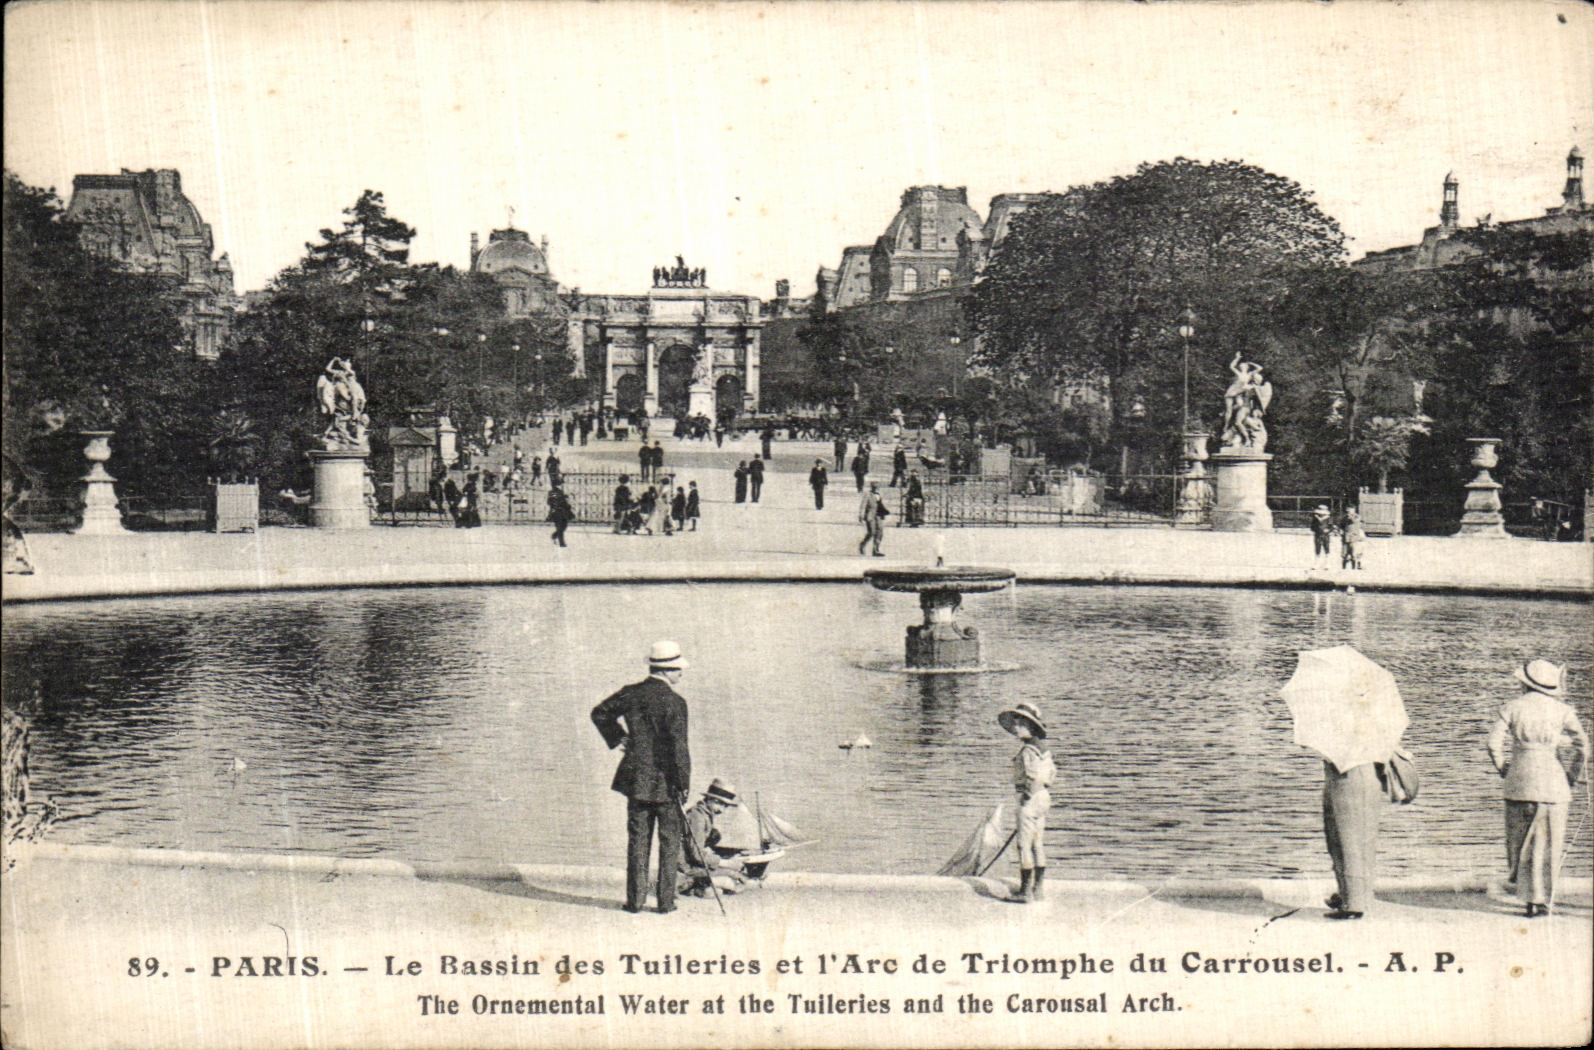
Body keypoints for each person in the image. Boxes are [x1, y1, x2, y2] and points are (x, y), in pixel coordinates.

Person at [591, 642, 693, 914]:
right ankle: (665, 902)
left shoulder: (631, 694)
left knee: (638, 842)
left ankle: (634, 902)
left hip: (636, 780)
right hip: (667, 785)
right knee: (670, 843)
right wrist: (683, 784)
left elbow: (599, 713)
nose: (681, 675)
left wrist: (618, 737)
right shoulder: (676, 702)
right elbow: (679, 749)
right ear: (667, 670)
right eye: (679, 670)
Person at [1486, 660, 1590, 917]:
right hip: (1553, 781)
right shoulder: (1563, 710)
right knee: (1550, 843)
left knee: (1519, 843)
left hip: (1519, 780)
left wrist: (1503, 768)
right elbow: (1583, 747)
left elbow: (1492, 743)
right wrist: (1571, 775)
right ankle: (1542, 900)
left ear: (1524, 683)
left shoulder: (1512, 707)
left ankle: (1527, 898)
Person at [999, 702, 1055, 903]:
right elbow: (1051, 774)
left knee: (1024, 845)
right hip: (1044, 797)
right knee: (1037, 844)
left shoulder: (1027, 751)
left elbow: (1031, 777)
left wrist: (1025, 798)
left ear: (1030, 726)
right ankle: (1038, 889)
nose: (1015, 728)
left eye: (1019, 724)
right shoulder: (1044, 749)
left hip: (1031, 799)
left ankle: (1025, 892)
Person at [1321, 756, 1382, 919]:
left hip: (1351, 775)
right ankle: (1347, 895)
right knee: (1337, 839)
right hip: (1343, 774)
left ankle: (1354, 904)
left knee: (1350, 840)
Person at [678, 778, 750, 898]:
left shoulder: (703, 815)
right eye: (720, 804)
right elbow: (697, 855)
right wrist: (726, 863)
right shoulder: (698, 818)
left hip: (692, 863)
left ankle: (702, 886)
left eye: (725, 806)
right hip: (686, 867)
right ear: (711, 800)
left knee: (734, 879)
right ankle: (695, 885)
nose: (722, 810)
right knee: (735, 879)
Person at [858, 481, 886, 557]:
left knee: (880, 531)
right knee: (871, 532)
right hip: (870, 515)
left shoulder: (879, 495)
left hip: (878, 515)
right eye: (874, 487)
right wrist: (861, 515)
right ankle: (862, 544)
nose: (876, 489)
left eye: (877, 487)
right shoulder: (868, 495)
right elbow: (863, 505)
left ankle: (876, 549)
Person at [546, 482, 574, 547]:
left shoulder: (559, 492)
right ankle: (561, 543)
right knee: (560, 527)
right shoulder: (554, 493)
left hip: (562, 512)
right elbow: (550, 502)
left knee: (563, 526)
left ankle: (554, 535)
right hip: (557, 512)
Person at [1309, 504, 1335, 570]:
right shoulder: (1315, 518)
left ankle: (1327, 564)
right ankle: (1316, 564)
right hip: (1317, 535)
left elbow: (1331, 527)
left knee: (1327, 549)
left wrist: (1328, 530)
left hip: (1325, 535)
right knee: (1317, 549)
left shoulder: (1328, 518)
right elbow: (1312, 527)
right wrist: (1316, 529)